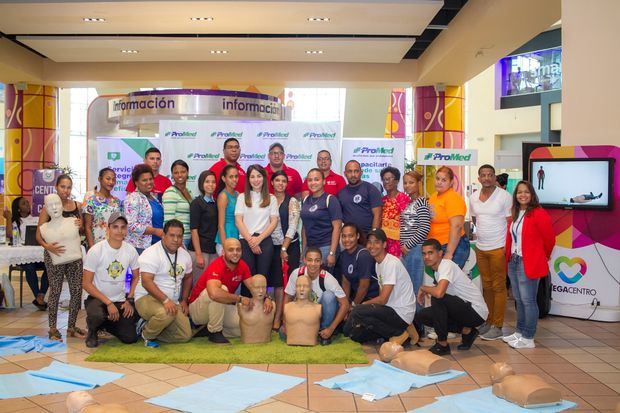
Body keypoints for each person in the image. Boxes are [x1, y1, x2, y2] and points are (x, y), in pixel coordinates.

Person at [188, 238, 272, 344]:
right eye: (231, 250)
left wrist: (267, 298)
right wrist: (239, 299)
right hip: (198, 310)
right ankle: (215, 332)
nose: (235, 253)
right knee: (221, 290)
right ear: (223, 252)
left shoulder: (242, 265)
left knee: (242, 324)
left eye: (238, 250)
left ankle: (208, 329)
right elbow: (214, 294)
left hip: (221, 305)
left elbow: (254, 286)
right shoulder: (217, 265)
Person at [414, 239, 489, 355]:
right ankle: (467, 331)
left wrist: (423, 288)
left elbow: (439, 293)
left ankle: (442, 344)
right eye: (424, 254)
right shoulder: (437, 271)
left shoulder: (446, 265)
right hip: (463, 309)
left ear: (440, 254)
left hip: (477, 312)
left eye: (430, 253)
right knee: (424, 315)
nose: (426, 257)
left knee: (437, 298)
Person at [503, 181, 555, 349]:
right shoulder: (517, 213)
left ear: (532, 194)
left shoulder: (539, 213)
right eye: (519, 192)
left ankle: (528, 337)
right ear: (515, 195)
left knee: (528, 301)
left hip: (529, 262)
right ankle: (519, 333)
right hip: (514, 260)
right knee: (519, 299)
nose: (522, 195)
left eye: (526, 192)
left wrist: (542, 256)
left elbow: (549, 240)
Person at [344, 228, 416, 345]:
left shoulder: (391, 263)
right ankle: (398, 331)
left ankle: (400, 333)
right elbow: (381, 295)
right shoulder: (378, 264)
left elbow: (382, 299)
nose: (372, 246)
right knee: (356, 335)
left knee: (359, 311)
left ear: (384, 244)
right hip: (390, 309)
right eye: (370, 242)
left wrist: (362, 306)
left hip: (400, 313)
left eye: (376, 242)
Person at [36, 174, 85, 341]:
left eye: (69, 187)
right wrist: (48, 247)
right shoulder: (48, 207)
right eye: (63, 187)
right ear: (56, 187)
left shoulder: (77, 206)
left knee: (76, 291)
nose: (66, 190)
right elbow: (39, 234)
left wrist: (81, 225)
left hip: (74, 256)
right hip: (54, 255)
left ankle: (71, 326)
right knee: (55, 290)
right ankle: (52, 328)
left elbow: (83, 232)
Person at [82, 213, 140, 348]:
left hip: (119, 300)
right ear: (108, 229)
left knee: (130, 338)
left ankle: (106, 324)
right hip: (97, 299)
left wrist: (129, 299)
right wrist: (108, 303)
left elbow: (137, 276)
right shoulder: (96, 250)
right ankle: (93, 329)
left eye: (123, 227)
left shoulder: (130, 250)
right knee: (97, 315)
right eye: (115, 227)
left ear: (126, 230)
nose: (119, 231)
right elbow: (86, 283)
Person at [469, 165, 512, 341]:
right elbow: (474, 218)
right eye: (483, 175)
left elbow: (511, 222)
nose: (486, 178)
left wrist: (506, 247)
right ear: (479, 178)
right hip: (481, 247)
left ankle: (498, 325)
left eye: (490, 175)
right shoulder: (473, 197)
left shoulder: (504, 196)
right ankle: (488, 321)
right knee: (486, 286)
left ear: (495, 177)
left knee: (498, 286)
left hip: (498, 248)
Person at [134, 219, 193, 347]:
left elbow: (188, 277)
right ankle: (147, 334)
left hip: (172, 301)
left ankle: (149, 326)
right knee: (165, 313)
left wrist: (184, 300)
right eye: (172, 235)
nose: (176, 240)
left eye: (179, 236)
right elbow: (146, 282)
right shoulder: (151, 253)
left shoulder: (185, 255)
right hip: (146, 297)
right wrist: (165, 301)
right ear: (163, 235)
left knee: (185, 335)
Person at [283, 248, 349, 345]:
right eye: (310, 260)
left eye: (317, 261)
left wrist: (331, 328)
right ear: (304, 260)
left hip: (320, 317)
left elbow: (345, 304)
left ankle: (323, 332)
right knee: (282, 333)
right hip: (302, 316)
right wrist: (285, 322)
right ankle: (304, 329)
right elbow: (287, 298)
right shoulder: (297, 274)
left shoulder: (327, 278)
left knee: (329, 296)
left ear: (321, 262)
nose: (313, 264)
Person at [234, 165, 278, 294]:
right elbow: (238, 221)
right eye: (252, 176)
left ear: (264, 178)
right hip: (245, 240)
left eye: (259, 176)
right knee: (248, 277)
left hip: (264, 240)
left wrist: (258, 239)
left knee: (263, 277)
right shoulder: (242, 197)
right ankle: (246, 307)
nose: (256, 179)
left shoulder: (271, 198)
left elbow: (273, 222)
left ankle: (263, 309)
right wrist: (250, 240)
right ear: (248, 179)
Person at [270, 170, 301, 331]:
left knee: (290, 282)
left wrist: (284, 248)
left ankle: (288, 318)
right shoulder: (267, 200)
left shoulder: (293, 201)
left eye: (283, 181)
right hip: (273, 248)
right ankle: (277, 316)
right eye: (277, 180)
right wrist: (279, 248)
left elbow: (293, 226)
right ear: (272, 183)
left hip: (291, 247)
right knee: (277, 284)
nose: (280, 183)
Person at [5, 197, 47, 310]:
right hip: (24, 257)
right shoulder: (15, 222)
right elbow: (9, 235)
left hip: (39, 256)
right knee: (29, 267)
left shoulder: (37, 219)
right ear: (18, 209)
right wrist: (8, 218)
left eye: (27, 202)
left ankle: (40, 296)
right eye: (24, 204)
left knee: (50, 266)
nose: (27, 204)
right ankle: (39, 297)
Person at [400, 171, 431, 314]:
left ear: (419, 184)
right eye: (405, 183)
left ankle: (418, 324)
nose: (407, 186)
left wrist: (408, 245)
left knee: (415, 287)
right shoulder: (409, 202)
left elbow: (424, 228)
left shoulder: (422, 202)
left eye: (411, 182)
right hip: (407, 251)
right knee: (408, 287)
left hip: (416, 250)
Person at [300, 168, 343, 270]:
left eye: (316, 179)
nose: (313, 183)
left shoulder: (331, 200)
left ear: (323, 181)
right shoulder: (306, 199)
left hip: (326, 247)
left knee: (322, 282)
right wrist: (303, 250)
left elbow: (337, 227)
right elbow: (304, 227)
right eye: (310, 180)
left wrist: (332, 253)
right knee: (305, 280)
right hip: (309, 247)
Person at [427, 166, 470, 268]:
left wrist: (449, 253)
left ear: (451, 183)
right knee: (441, 280)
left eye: (444, 180)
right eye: (437, 179)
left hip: (453, 247)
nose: (439, 182)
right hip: (437, 246)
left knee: (448, 281)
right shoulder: (433, 197)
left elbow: (457, 226)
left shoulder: (453, 198)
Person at [124, 164, 164, 254]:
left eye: (150, 179)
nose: (149, 182)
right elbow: (131, 225)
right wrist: (155, 231)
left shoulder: (154, 197)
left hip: (157, 245)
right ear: (136, 183)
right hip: (139, 247)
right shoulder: (133, 198)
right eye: (144, 180)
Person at [336, 223, 379, 305]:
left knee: (353, 315)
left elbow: (364, 286)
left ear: (357, 236)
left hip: (371, 298)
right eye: (344, 236)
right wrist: (345, 305)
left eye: (350, 236)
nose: (347, 240)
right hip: (357, 298)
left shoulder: (363, 255)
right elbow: (346, 283)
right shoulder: (343, 255)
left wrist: (353, 306)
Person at [188, 170, 218, 286]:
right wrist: (198, 254)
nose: (211, 185)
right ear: (201, 184)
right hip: (199, 250)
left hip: (212, 250)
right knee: (198, 285)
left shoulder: (215, 203)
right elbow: (194, 229)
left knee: (211, 285)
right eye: (207, 182)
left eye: (213, 182)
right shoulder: (197, 203)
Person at [338, 160, 382, 236]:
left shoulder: (370, 189)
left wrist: (373, 236)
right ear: (345, 174)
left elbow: (377, 215)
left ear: (361, 173)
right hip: (349, 238)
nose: (353, 175)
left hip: (367, 236)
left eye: (356, 171)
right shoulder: (341, 193)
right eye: (349, 171)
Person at [83, 167, 121, 249]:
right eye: (108, 179)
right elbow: (87, 227)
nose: (111, 182)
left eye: (113, 179)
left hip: (114, 245)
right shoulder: (91, 200)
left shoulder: (117, 202)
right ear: (100, 179)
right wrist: (92, 248)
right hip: (97, 246)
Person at [380, 166, 410, 257]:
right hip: (384, 243)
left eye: (389, 179)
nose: (386, 182)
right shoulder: (382, 200)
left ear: (396, 181)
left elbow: (409, 223)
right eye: (384, 179)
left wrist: (405, 244)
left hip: (399, 243)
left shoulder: (404, 199)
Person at [163, 160, 193, 248]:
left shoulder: (189, 192)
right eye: (176, 173)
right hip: (178, 240)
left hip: (189, 238)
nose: (180, 175)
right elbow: (168, 221)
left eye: (183, 172)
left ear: (188, 173)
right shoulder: (170, 192)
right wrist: (177, 242)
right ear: (172, 175)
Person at [215, 165, 240, 249]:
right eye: (231, 177)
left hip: (237, 235)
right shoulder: (223, 196)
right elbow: (221, 225)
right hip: (226, 237)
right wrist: (225, 246)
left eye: (236, 176)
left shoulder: (238, 194)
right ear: (224, 178)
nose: (234, 179)